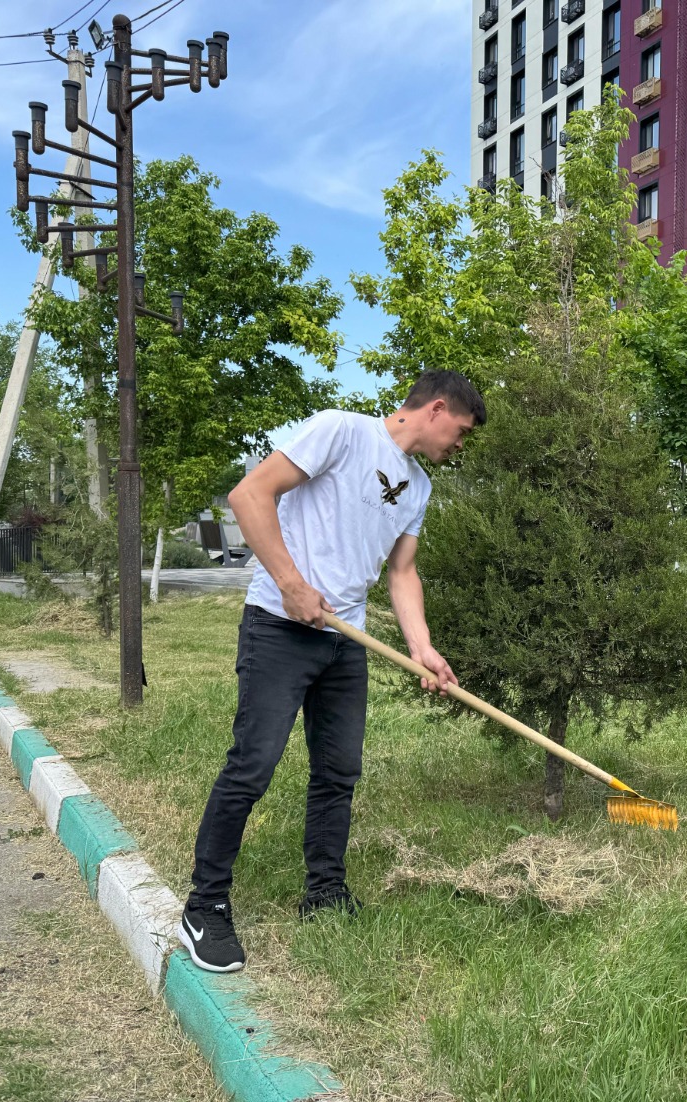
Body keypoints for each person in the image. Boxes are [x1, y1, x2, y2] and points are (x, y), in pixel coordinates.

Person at [179, 370, 485, 973]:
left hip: (346, 641)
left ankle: (325, 893)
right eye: (462, 431)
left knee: (339, 771)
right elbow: (249, 496)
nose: (460, 444)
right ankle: (204, 906)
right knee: (253, 766)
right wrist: (292, 585)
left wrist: (421, 647)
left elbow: (401, 573)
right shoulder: (342, 432)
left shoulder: (418, 486)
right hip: (279, 628)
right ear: (438, 409)